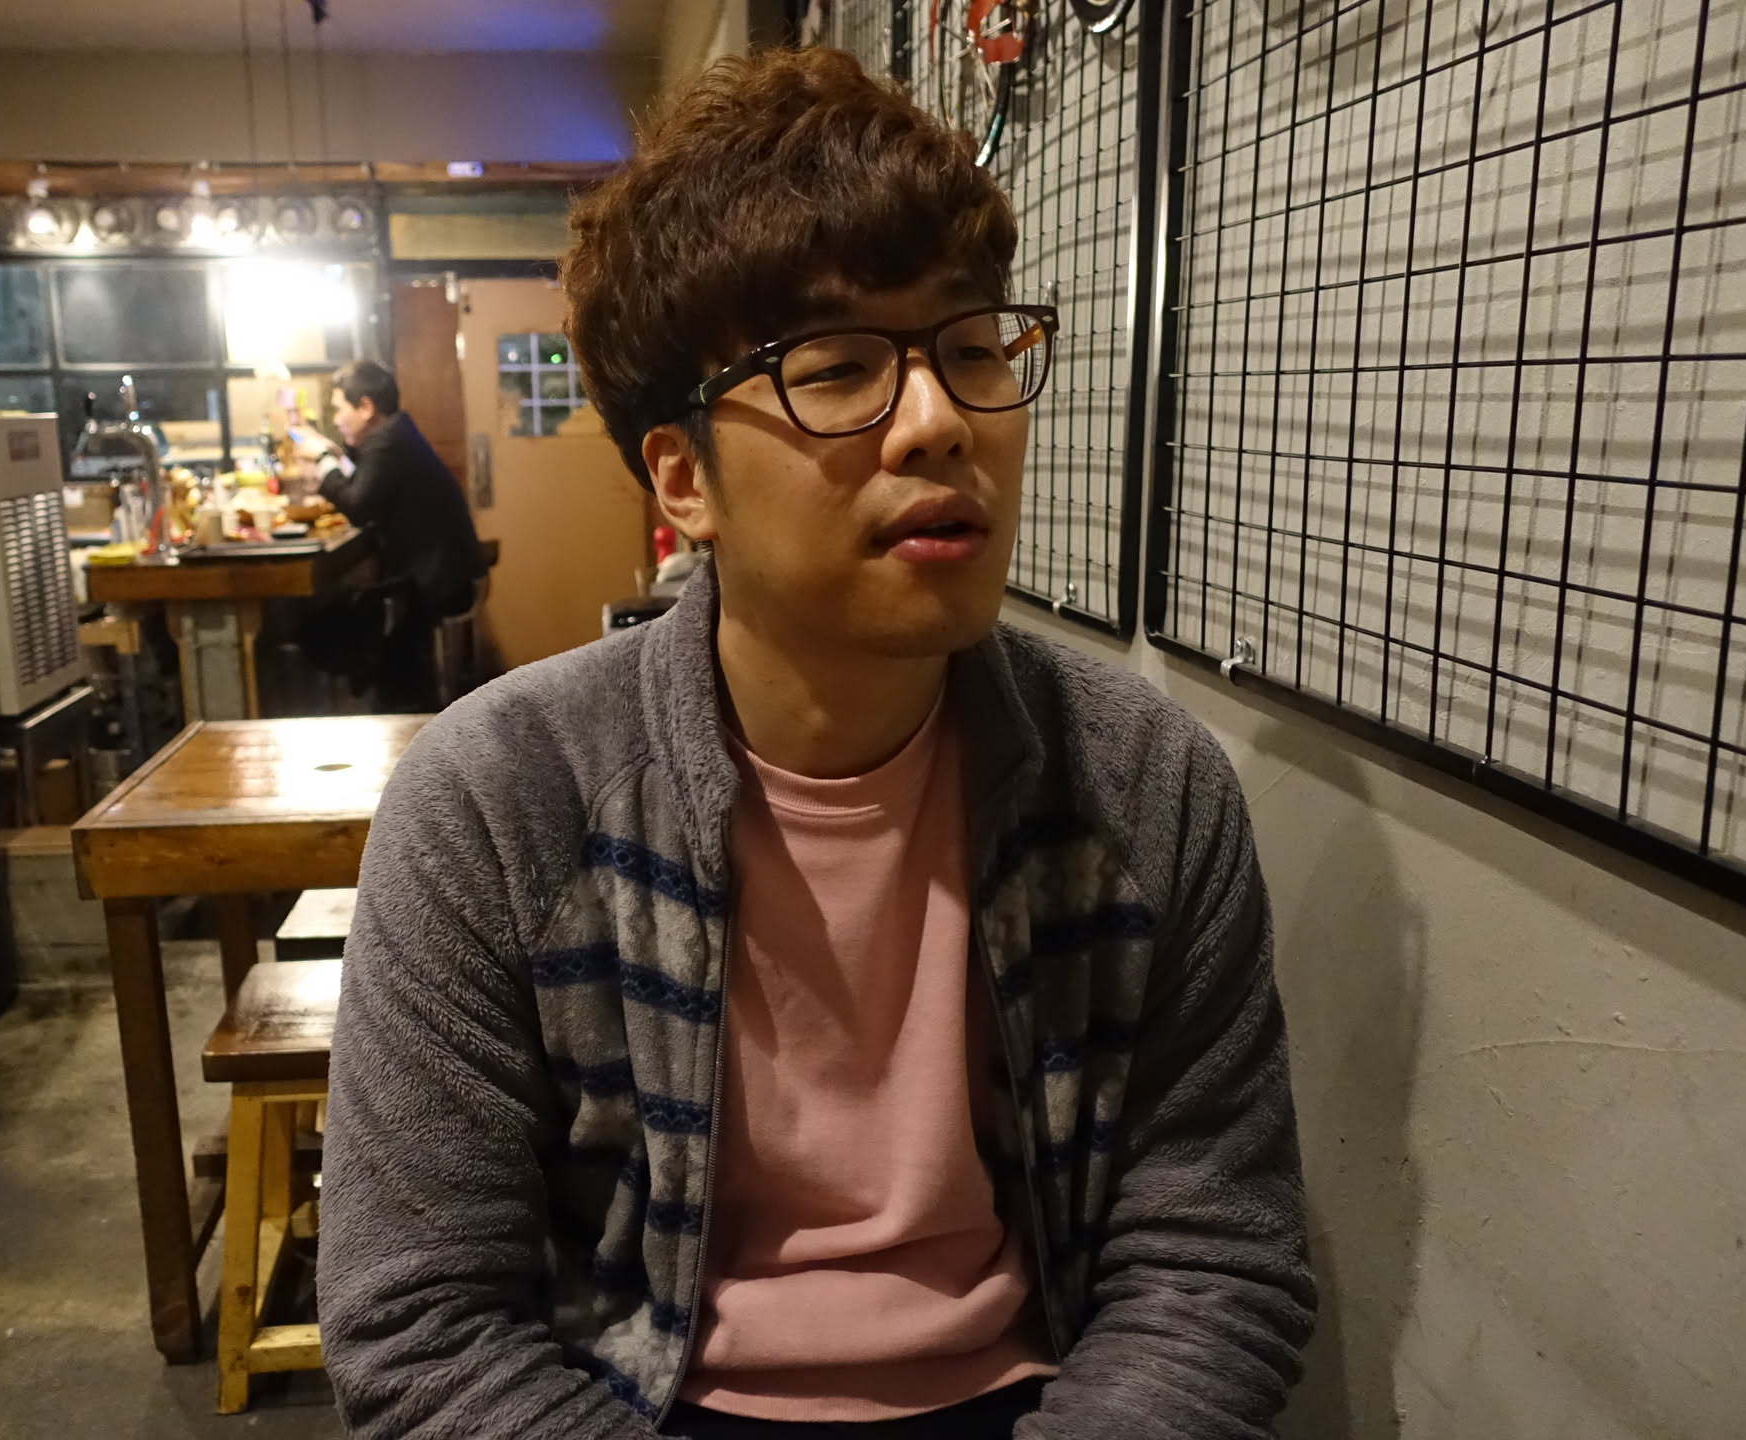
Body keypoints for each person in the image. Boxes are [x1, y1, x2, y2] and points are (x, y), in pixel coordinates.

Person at [315, 47, 1314, 1440]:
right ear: (682, 479)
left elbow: (1213, 1263)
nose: (940, 424)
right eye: (839, 370)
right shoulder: (496, 800)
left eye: (973, 351)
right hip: (632, 1403)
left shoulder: (1144, 781)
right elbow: (422, 1325)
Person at [308, 359, 487, 708]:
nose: (337, 419)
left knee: (328, 625)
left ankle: (390, 715)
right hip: (445, 574)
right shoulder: (396, 435)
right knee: (342, 619)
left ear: (365, 407)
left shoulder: (387, 441)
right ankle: (381, 707)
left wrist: (323, 460)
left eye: (340, 409)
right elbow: (368, 490)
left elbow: (359, 505)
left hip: (437, 584)